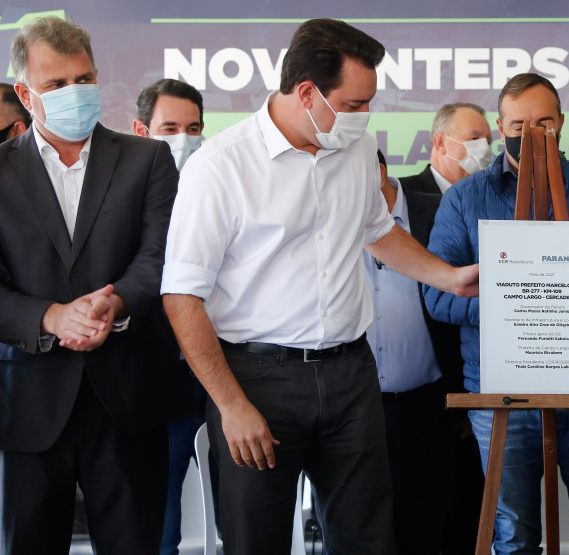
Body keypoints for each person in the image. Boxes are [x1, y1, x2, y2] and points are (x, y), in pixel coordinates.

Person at [160, 18, 478, 555]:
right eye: (353, 104)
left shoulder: (354, 147)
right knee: (256, 540)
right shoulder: (220, 167)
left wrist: (448, 276)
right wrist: (231, 405)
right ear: (307, 92)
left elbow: (376, 231)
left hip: (353, 376)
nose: (364, 117)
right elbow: (181, 297)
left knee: (369, 539)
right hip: (257, 379)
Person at [424, 72, 569, 554]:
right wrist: (526, 304)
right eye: (519, 125)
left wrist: (554, 300)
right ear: (501, 127)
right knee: (512, 535)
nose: (533, 134)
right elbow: (439, 297)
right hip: (500, 392)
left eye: (545, 122)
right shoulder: (464, 199)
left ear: (563, 122)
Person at [0, 16, 189, 554]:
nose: (74, 94)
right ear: (24, 92)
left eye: (83, 80)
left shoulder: (148, 159)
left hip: (129, 401)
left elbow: (162, 257)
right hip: (28, 408)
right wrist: (52, 317)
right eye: (56, 85)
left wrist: (116, 304)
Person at [132, 77, 215, 555]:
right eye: (170, 128)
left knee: (242, 516)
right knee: (156, 521)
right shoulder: (124, 199)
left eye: (193, 127)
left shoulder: (220, 191)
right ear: (142, 131)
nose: (183, 139)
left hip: (226, 382)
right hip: (156, 385)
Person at [367, 149, 465, 554]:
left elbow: (464, 306)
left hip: (428, 402)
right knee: (362, 526)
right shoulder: (325, 221)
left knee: (428, 523)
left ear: (380, 173)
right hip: (354, 405)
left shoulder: (441, 211)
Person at [399, 102, 492, 194]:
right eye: (474, 138)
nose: (484, 148)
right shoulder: (400, 194)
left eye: (488, 142)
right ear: (440, 143)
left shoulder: (493, 195)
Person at [134, 78, 204, 171]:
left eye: (192, 129)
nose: (183, 142)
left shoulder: (216, 181)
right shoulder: (121, 182)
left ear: (201, 128)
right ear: (141, 131)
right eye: (169, 129)